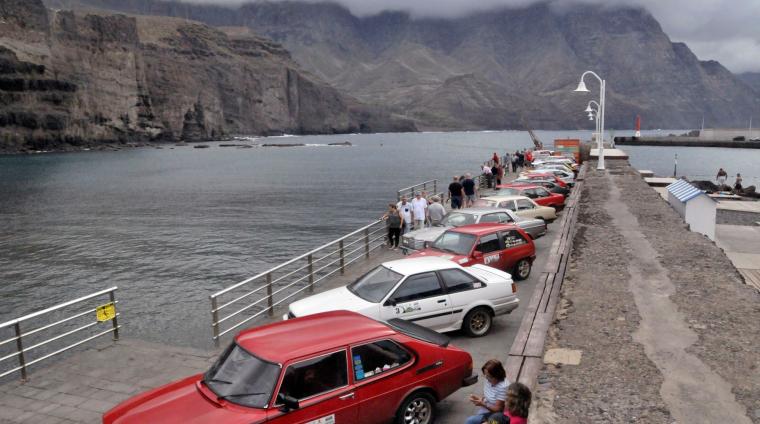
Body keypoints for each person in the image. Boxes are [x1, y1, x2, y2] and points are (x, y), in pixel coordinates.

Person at [464, 359, 507, 424]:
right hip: (486, 408)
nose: (486, 377)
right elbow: (489, 394)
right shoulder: (489, 380)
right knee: (471, 420)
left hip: (496, 416)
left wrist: (483, 404)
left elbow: (498, 410)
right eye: (485, 374)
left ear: (497, 375)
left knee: (470, 421)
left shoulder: (503, 387)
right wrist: (480, 399)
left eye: (489, 376)